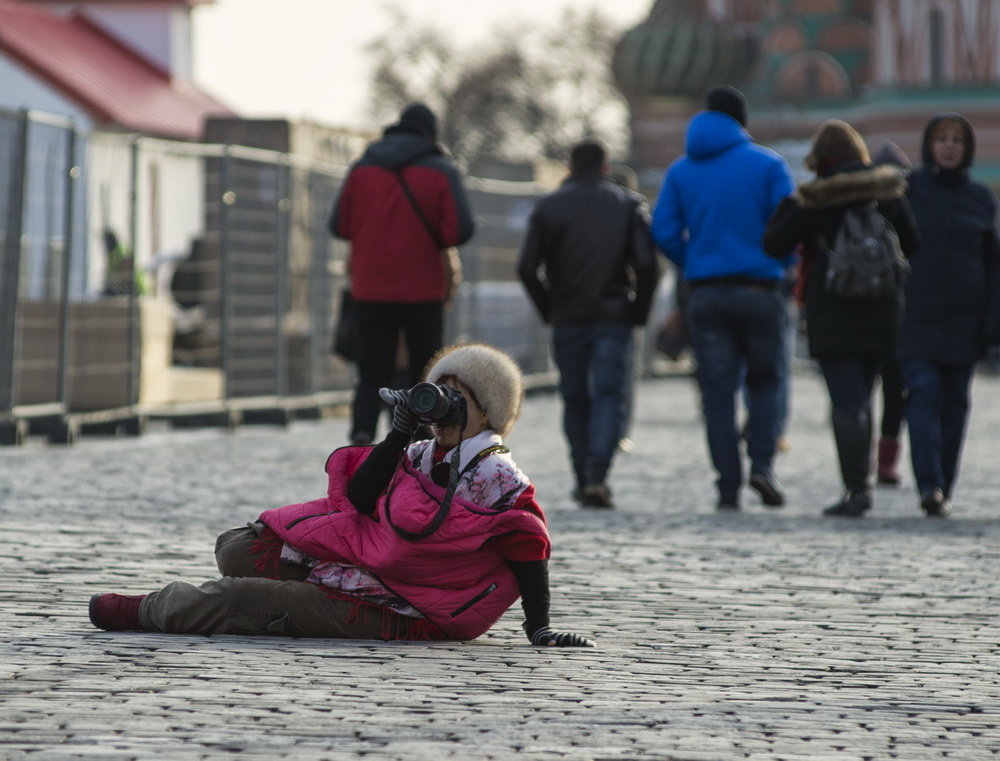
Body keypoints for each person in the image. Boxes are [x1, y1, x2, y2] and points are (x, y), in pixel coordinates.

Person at [88, 343, 594, 648]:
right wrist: (400, 433)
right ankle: (300, 589)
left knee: (238, 597)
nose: (442, 407)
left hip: (408, 610)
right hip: (375, 570)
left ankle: (143, 610)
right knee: (240, 548)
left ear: (489, 412)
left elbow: (530, 548)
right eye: (439, 391)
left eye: (457, 398)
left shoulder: (498, 477)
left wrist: (540, 628)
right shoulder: (422, 455)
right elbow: (359, 498)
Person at [763, 120, 919, 517]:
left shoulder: (815, 199)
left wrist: (797, 204)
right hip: (883, 307)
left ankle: (856, 489)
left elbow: (774, 242)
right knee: (863, 397)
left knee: (846, 401)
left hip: (833, 310)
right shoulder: (887, 191)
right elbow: (913, 242)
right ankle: (860, 485)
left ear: (821, 158)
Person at [651, 85, 794, 511]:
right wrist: (780, 262)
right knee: (766, 382)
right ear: (742, 122)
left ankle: (727, 486)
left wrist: (695, 260)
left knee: (716, 393)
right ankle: (762, 466)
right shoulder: (769, 165)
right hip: (760, 289)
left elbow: (662, 232)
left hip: (707, 294)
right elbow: (789, 224)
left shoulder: (680, 171)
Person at [518, 140, 659, 509]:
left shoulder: (548, 206)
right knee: (609, 395)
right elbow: (646, 264)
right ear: (605, 165)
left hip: (568, 316)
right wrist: (638, 311)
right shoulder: (627, 205)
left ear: (569, 165)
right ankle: (598, 473)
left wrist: (549, 307)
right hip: (614, 315)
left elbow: (526, 267)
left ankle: (582, 475)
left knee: (575, 397)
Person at [330, 102, 475, 446]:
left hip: (370, 286)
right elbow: (459, 231)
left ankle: (362, 433)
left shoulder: (362, 168)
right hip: (422, 289)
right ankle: (420, 441)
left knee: (370, 372)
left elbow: (339, 225)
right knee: (424, 373)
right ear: (430, 133)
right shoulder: (442, 171)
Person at [899, 113, 1000, 516]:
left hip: (965, 321)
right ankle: (929, 485)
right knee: (923, 396)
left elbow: (993, 265)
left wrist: (992, 322)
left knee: (956, 404)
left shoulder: (979, 197)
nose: (950, 146)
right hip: (916, 318)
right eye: (942, 138)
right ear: (929, 145)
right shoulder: (908, 192)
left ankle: (945, 484)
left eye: (957, 139)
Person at [871, 141, 914, 486]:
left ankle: (867, 456)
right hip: (897, 312)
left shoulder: (857, 205)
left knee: (861, 391)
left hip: (865, 310)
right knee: (893, 389)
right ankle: (885, 460)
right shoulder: (908, 207)